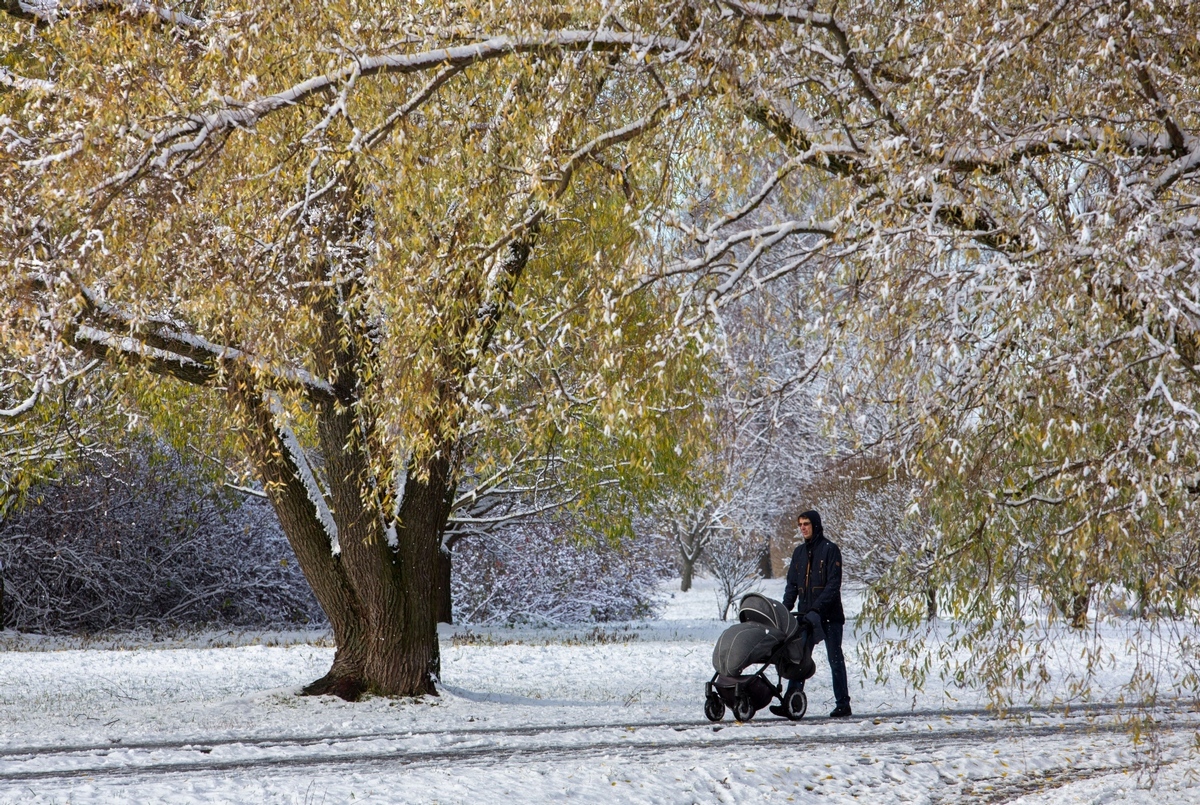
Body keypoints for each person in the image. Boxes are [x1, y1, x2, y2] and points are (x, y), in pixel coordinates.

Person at [772, 509, 852, 719]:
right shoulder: (798, 553)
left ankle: (843, 704)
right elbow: (792, 586)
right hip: (806, 618)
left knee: (835, 659)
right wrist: (783, 611)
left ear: (815, 525)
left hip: (829, 617)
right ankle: (791, 702)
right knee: (798, 659)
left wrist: (817, 608)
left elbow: (833, 585)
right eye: (800, 525)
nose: (803, 528)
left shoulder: (830, 550)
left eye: (806, 523)